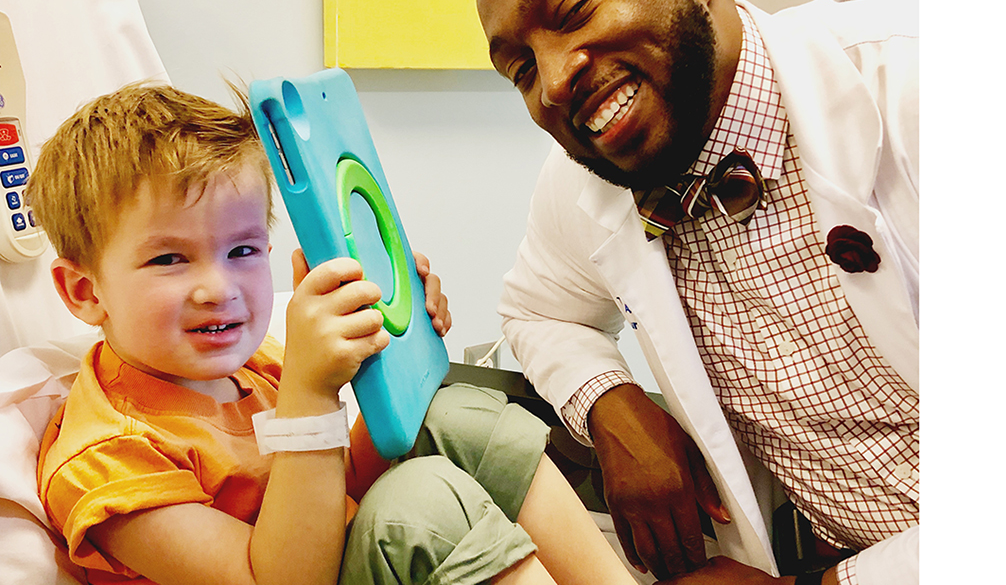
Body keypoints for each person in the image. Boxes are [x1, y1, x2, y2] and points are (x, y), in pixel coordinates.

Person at [475, 0, 918, 585]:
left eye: (575, 8)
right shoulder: (589, 176)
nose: (553, 80)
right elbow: (537, 308)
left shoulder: (920, 85)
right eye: (520, 67)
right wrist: (610, 404)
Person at [28, 83, 641, 585]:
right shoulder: (105, 457)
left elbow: (336, 491)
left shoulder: (251, 373)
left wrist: (387, 356)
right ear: (85, 292)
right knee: (419, 508)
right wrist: (310, 395)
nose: (217, 288)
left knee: (451, 414)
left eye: (242, 250)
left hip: (328, 558)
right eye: (168, 260)